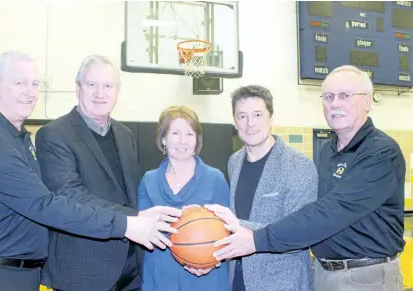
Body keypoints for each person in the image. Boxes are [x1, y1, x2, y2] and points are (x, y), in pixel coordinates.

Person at [0, 51, 180, 291]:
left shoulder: (17, 138)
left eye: (35, 84)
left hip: (15, 273)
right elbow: (48, 204)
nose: (30, 91)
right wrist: (128, 222)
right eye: (19, 83)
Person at [213, 65, 406, 291]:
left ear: (367, 101)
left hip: (366, 276)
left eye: (345, 96)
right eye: (329, 96)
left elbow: (330, 212)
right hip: (325, 273)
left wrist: (256, 239)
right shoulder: (328, 151)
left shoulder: (380, 152)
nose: (335, 104)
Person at [34, 55, 181, 291]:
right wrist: (134, 219)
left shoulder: (125, 135)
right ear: (78, 88)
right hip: (84, 269)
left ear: (117, 91)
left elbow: (133, 192)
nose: (100, 93)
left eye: (108, 86)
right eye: (92, 85)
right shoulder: (54, 135)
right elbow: (70, 196)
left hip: (132, 268)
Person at [204, 85, 317, 291]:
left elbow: (300, 234)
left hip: (282, 283)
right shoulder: (234, 161)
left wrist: (239, 224)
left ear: (271, 119)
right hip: (238, 280)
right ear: (234, 121)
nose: (250, 124)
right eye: (242, 116)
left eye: (257, 114)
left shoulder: (298, 165)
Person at [138, 106, 230, 291]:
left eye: (189, 134)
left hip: (205, 278)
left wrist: (213, 261)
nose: (182, 140)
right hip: (160, 278)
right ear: (163, 138)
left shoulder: (215, 178)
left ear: (197, 140)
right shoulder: (149, 180)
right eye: (175, 133)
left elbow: (228, 232)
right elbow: (141, 233)